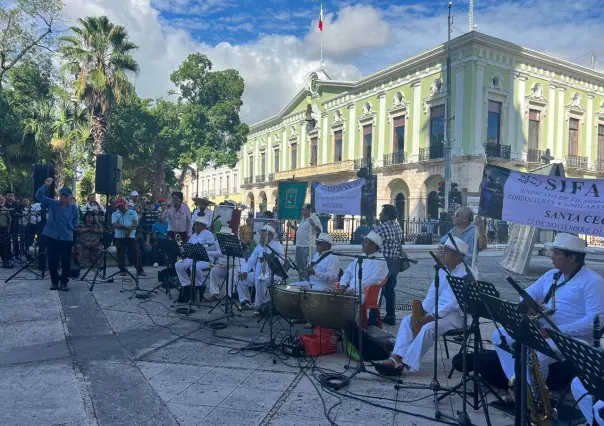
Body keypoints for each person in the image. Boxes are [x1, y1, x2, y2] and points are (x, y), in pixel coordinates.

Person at [492, 233, 604, 399]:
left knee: (536, 355)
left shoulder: (593, 282)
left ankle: (533, 397)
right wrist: (530, 306)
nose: (552, 257)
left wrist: (555, 332)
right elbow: (526, 294)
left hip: (573, 340)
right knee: (498, 335)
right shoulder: (551, 274)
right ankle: (520, 386)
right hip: (544, 332)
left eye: (557, 253)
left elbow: (597, 320)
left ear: (572, 257)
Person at [373, 236, 469, 375]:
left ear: (458, 257)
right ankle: (395, 358)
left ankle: (404, 363)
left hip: (456, 315)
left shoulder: (467, 274)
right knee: (408, 320)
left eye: (446, 252)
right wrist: (422, 311)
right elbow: (432, 294)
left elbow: (454, 303)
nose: (442, 254)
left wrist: (432, 316)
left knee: (428, 328)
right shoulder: (443, 270)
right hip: (438, 312)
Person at [35, 178, 79, 291]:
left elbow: (76, 221)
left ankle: (64, 282)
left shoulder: (74, 208)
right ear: (59, 195)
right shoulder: (53, 203)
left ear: (70, 197)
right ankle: (54, 282)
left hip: (66, 237)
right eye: (61, 195)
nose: (63, 198)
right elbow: (39, 196)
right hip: (52, 236)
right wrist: (45, 185)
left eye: (66, 196)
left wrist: (69, 227)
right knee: (52, 260)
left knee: (65, 261)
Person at [237, 225, 284, 310]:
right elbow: (250, 262)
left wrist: (268, 259)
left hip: (272, 276)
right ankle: (246, 301)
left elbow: (282, 262)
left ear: (270, 236)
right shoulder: (259, 247)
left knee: (260, 280)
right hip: (257, 274)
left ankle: (259, 306)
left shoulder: (277, 246)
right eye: (261, 234)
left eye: (264, 234)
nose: (262, 236)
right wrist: (245, 271)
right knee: (240, 278)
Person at [373, 204, 404, 326]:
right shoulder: (397, 226)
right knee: (390, 289)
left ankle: (375, 317)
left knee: (378, 288)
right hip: (395, 263)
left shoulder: (382, 227)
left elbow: (370, 239)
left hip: (384, 262)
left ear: (386, 215)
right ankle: (391, 315)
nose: (380, 214)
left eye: (381, 212)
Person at [337, 231, 388, 304]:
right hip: (350, 291)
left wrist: (354, 289)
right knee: (332, 298)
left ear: (373, 245)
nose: (362, 244)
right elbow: (348, 272)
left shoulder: (380, 261)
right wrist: (342, 285)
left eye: (365, 242)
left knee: (342, 302)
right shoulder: (360, 257)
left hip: (365, 294)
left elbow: (374, 280)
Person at [175, 217, 215, 303]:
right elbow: (188, 246)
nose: (195, 226)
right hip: (192, 258)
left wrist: (200, 247)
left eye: (196, 224)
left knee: (194, 268)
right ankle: (186, 285)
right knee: (178, 264)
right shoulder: (193, 235)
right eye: (195, 224)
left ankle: (199, 285)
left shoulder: (209, 234)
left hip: (205, 259)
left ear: (202, 226)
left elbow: (212, 247)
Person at [206, 226, 245, 302]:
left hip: (234, 265)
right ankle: (215, 294)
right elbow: (211, 248)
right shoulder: (217, 242)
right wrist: (205, 249)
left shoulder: (232, 242)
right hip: (223, 266)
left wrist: (208, 253)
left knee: (231, 273)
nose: (223, 236)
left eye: (225, 235)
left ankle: (228, 296)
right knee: (213, 271)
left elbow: (221, 253)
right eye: (222, 234)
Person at [112, 197, 146, 277]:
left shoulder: (133, 212)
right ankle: (122, 270)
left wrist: (129, 230)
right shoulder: (115, 214)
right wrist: (125, 228)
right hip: (119, 237)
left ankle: (140, 269)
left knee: (134, 253)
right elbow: (114, 224)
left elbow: (136, 223)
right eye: (118, 206)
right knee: (120, 254)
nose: (119, 208)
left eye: (121, 206)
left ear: (125, 204)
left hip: (130, 236)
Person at [288, 204, 322, 281]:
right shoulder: (303, 219)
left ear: (309, 210)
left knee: (307, 266)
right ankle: (301, 281)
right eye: (302, 209)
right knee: (299, 266)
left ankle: (307, 282)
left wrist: (313, 224)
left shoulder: (314, 218)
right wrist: (292, 226)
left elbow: (319, 230)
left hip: (307, 247)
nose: (302, 211)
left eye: (304, 209)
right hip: (299, 246)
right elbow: (301, 230)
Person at [5, 191, 20, 260]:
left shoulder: (17, 204)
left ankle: (17, 254)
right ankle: (8, 254)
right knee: (7, 239)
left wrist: (16, 214)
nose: (10, 197)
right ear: (6, 196)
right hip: (6, 224)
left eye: (12, 196)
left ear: (14, 197)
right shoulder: (4, 204)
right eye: (9, 196)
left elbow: (20, 213)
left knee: (15, 240)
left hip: (15, 223)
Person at [0, 195, 12, 268]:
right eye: (0, 200)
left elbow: (9, 221)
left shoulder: (6, 209)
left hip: (3, 229)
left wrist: (8, 230)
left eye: (2, 200)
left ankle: (5, 261)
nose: (1, 201)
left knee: (4, 246)